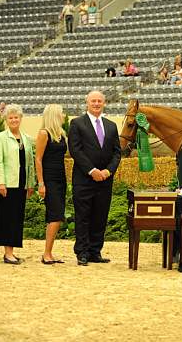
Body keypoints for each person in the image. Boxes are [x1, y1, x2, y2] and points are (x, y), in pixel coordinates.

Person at [68, 90, 121, 266]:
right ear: (87, 103)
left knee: (100, 216)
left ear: (104, 103)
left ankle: (95, 251)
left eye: (99, 101)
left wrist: (108, 171)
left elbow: (117, 153)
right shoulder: (76, 124)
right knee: (83, 217)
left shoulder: (112, 126)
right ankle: (82, 252)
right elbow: (76, 150)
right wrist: (92, 170)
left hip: (105, 181)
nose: (96, 104)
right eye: (93, 101)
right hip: (84, 180)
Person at [0, 104, 35, 265]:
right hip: (7, 184)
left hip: (22, 184)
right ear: (6, 119)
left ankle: (13, 251)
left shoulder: (25, 138)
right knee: (7, 218)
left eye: (16, 117)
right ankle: (7, 253)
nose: (14, 120)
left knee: (17, 218)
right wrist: (0, 183)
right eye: (10, 117)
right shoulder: (1, 137)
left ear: (21, 118)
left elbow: (29, 163)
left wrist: (30, 184)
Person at [35, 104, 68, 264]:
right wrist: (41, 183)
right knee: (55, 216)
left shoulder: (61, 134)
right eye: (62, 113)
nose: (64, 115)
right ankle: (46, 254)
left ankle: (49, 253)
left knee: (56, 216)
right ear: (54, 115)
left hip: (61, 179)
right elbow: (38, 159)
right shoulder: (44, 133)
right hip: (49, 179)